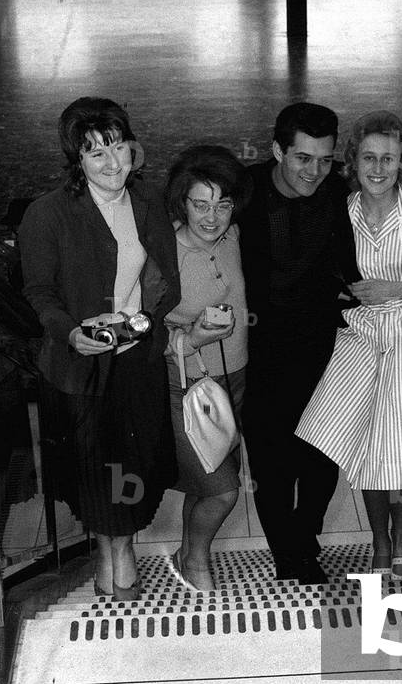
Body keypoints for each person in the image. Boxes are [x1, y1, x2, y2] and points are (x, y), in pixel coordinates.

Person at [18, 97, 180, 600]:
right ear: (77, 161)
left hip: (137, 359)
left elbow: (168, 280)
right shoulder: (47, 215)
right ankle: (116, 554)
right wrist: (71, 332)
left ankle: (117, 550)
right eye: (96, 154)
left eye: (119, 147)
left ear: (133, 147)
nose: (113, 164)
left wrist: (148, 321)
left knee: (135, 462)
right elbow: (38, 292)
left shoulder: (149, 202)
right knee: (94, 467)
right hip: (79, 367)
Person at [296, 111, 402, 578]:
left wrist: (397, 289)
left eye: (388, 158)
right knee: (364, 447)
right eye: (368, 158)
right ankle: (378, 536)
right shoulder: (339, 210)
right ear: (353, 161)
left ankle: (399, 534)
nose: (378, 168)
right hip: (358, 335)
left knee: (399, 446)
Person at [238, 102, 360, 584]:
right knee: (270, 459)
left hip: (319, 342)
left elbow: (349, 263)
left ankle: (304, 538)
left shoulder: (335, 191)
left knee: (320, 452)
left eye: (325, 160)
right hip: (260, 345)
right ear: (277, 151)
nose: (314, 171)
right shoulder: (245, 192)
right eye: (303, 158)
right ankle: (288, 556)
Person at [162, 146, 252, 592]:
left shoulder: (232, 237)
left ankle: (187, 550)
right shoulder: (163, 255)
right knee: (223, 490)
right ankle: (195, 557)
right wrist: (192, 337)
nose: (212, 218)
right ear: (183, 203)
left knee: (205, 479)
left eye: (222, 205)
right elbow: (143, 331)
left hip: (235, 378)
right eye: (200, 205)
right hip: (186, 386)